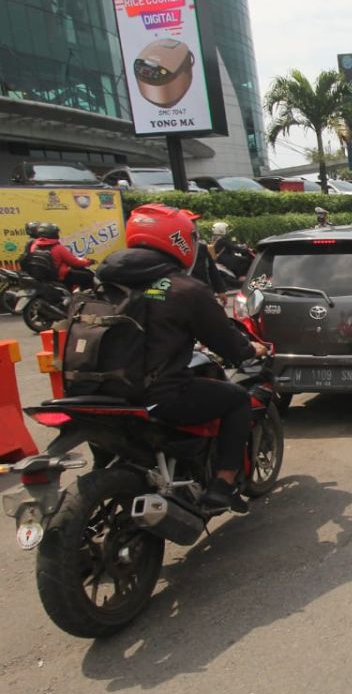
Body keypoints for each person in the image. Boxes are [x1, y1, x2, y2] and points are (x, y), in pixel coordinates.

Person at [95, 203, 268, 513]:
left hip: (93, 393)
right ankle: (223, 485)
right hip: (153, 396)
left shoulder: (103, 284)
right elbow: (226, 344)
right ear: (179, 240)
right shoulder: (180, 288)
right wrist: (249, 350)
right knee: (237, 399)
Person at [27, 222, 95, 288]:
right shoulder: (58, 248)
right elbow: (75, 262)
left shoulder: (34, 246)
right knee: (88, 276)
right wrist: (88, 262)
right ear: (53, 234)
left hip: (45, 275)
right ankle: (86, 297)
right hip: (59, 276)